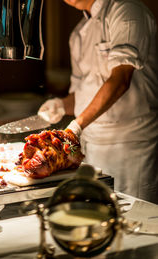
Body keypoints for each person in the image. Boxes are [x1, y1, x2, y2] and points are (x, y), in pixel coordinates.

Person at [38, 0, 158, 204]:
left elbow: (120, 80)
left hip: (130, 147)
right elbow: (86, 93)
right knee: (97, 217)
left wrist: (76, 125)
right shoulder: (78, 33)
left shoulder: (126, 9)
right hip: (90, 146)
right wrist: (61, 105)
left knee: (133, 223)